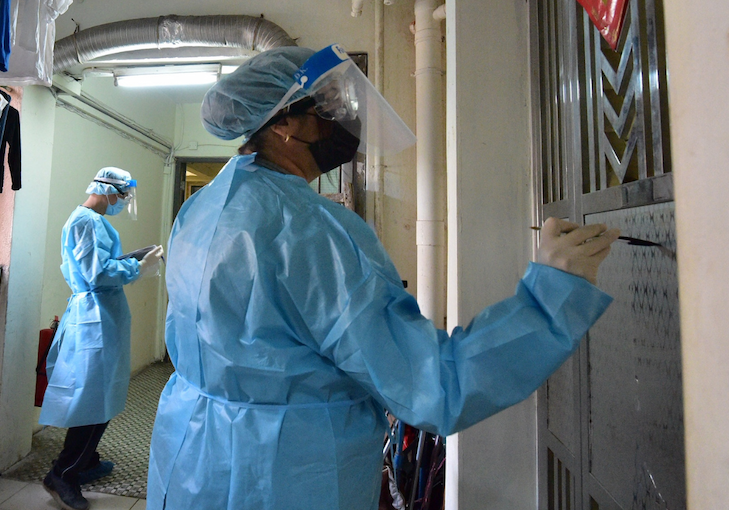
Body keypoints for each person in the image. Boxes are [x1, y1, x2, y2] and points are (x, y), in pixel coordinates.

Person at [145, 45, 620, 510]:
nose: (345, 117)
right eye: (328, 105)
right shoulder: (309, 229)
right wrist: (553, 292)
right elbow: (435, 388)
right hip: (283, 471)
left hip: (191, 454)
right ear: (284, 122)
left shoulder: (203, 206)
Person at [41, 167, 163, 510]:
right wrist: (138, 268)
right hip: (94, 317)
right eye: (122, 196)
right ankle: (63, 473)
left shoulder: (92, 221)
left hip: (102, 315)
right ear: (105, 189)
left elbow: (101, 263)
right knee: (92, 398)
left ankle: (87, 461)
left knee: (102, 392)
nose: (122, 203)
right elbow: (98, 272)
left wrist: (134, 258)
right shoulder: (86, 222)